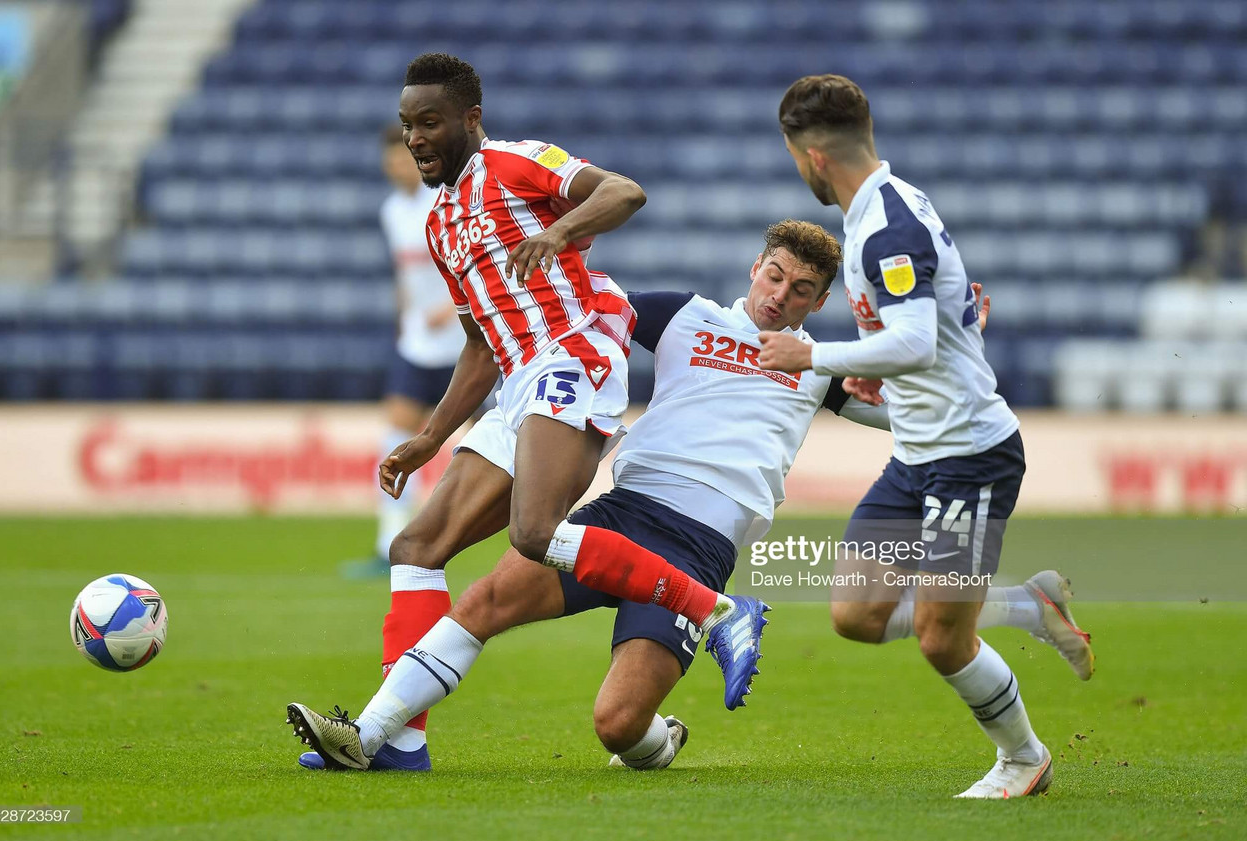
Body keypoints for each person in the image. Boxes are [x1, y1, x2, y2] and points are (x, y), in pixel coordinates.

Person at [295, 221, 1088, 773]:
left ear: (817, 302)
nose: (781, 296)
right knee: (483, 601)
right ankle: (366, 734)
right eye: (775, 276)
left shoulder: (817, 363)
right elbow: (582, 324)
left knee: (617, 726)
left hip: (699, 547)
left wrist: (952, 350)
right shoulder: (681, 315)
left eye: (802, 289)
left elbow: (911, 413)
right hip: (621, 512)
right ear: (755, 267)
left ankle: (658, 741)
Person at [286, 53, 768, 771]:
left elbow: (625, 192)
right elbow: (481, 344)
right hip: (519, 380)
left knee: (536, 532)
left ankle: (717, 610)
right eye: (406, 125)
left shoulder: (516, 162)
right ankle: (398, 742)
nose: (416, 138)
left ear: (470, 120)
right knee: (416, 548)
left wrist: (557, 231)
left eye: (429, 122)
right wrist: (428, 437)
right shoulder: (440, 224)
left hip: (576, 353)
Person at [758, 74, 1094, 798]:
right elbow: (934, 324)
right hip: (917, 454)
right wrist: (882, 365)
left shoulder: (885, 227)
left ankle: (1023, 758)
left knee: (943, 636)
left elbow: (913, 339)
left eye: (792, 155)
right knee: (856, 612)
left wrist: (813, 353)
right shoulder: (890, 207)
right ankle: (1027, 605)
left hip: (969, 455)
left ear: (812, 156)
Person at [343, 129, 467, 578]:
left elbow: (475, 268)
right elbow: (406, 276)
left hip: (466, 346)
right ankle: (387, 544)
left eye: (407, 159)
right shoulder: (392, 212)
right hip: (417, 345)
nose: (400, 166)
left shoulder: (447, 204)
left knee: (491, 443)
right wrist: (405, 318)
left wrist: (451, 311)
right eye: (393, 160)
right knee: (395, 437)